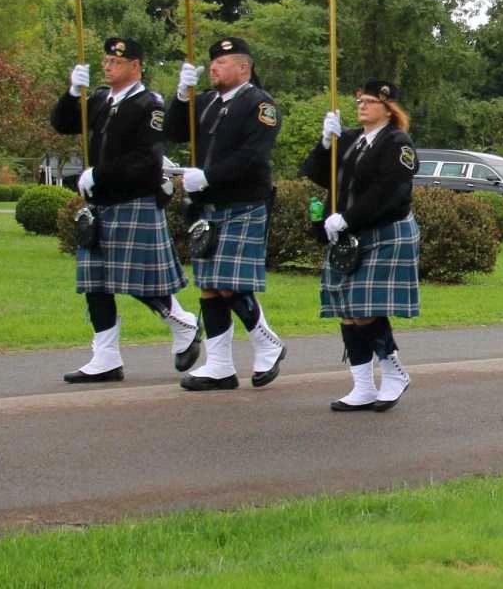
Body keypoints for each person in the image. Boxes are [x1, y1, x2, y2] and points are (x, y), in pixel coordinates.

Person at [52, 37, 202, 382]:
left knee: (139, 282)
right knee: (96, 284)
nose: (107, 67)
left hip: (132, 201)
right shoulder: (102, 100)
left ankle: (183, 323)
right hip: (101, 204)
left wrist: (99, 173)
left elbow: (146, 162)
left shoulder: (149, 105)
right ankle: (105, 357)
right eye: (105, 61)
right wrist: (73, 93)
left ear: (135, 66)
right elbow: (62, 124)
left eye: (115, 62)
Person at [164, 37, 286, 391]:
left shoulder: (260, 105)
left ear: (244, 67)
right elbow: (172, 131)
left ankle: (268, 342)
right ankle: (219, 365)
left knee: (231, 286)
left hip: (243, 202)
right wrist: (183, 94)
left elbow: (252, 154)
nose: (214, 67)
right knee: (209, 288)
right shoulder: (205, 103)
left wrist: (209, 175)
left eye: (223, 61)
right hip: (209, 205)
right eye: (212, 62)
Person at [302, 78, 420, 411]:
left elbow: (389, 191)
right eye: (359, 101)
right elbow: (318, 175)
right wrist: (325, 144)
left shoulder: (397, 143)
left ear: (388, 108)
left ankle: (394, 373)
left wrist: (348, 218)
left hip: (383, 231)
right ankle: (363, 386)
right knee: (348, 312)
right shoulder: (351, 140)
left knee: (365, 310)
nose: (362, 106)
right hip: (349, 237)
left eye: (370, 101)